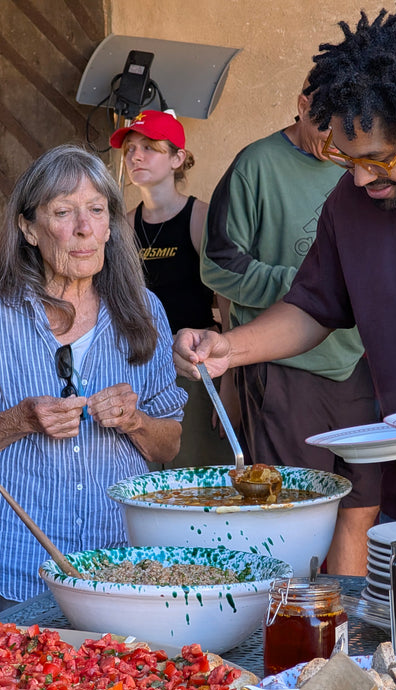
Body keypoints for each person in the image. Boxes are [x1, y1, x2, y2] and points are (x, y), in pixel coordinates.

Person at [173, 9, 396, 529]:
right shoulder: (351, 202)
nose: (360, 179)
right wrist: (230, 348)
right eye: (346, 158)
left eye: (379, 159)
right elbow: (314, 306)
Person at [0, 144, 186, 614]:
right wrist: (19, 420)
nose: (84, 228)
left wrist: (135, 421)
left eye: (96, 211)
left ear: (110, 225)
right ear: (29, 228)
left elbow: (169, 445)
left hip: (117, 568)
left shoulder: (144, 311)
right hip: (14, 567)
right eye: (63, 212)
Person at [199, 79, 381, 575]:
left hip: (355, 363)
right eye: (327, 127)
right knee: (295, 510)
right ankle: (289, 621)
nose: (337, 146)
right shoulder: (256, 165)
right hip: (281, 363)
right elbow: (218, 264)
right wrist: (307, 287)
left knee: (361, 506)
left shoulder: (358, 168)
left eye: (350, 135)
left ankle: (344, 621)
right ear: (302, 105)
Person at [110, 109, 231, 467]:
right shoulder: (123, 227)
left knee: (195, 473)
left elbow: (228, 303)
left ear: (178, 158)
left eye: (149, 147)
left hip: (194, 367)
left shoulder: (200, 217)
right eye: (131, 149)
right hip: (142, 369)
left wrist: (232, 384)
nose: (136, 156)